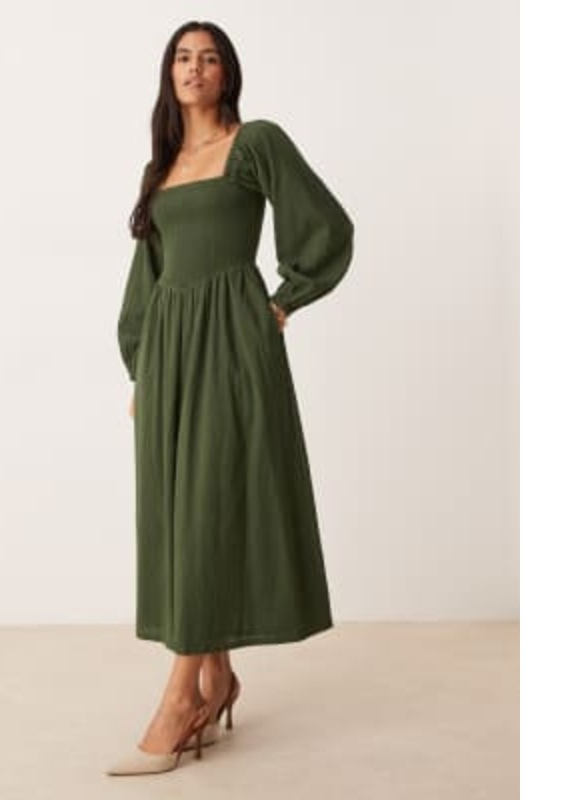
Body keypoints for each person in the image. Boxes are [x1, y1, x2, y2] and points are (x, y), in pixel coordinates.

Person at [107, 20, 355, 776]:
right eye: (183, 57)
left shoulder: (255, 144)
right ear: (169, 74)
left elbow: (327, 224)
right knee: (180, 513)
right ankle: (218, 680)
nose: (195, 68)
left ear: (227, 73)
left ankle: (180, 697)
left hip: (232, 345)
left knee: (211, 502)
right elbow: (147, 276)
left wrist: (282, 301)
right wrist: (141, 368)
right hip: (170, 356)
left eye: (209, 58)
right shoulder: (162, 168)